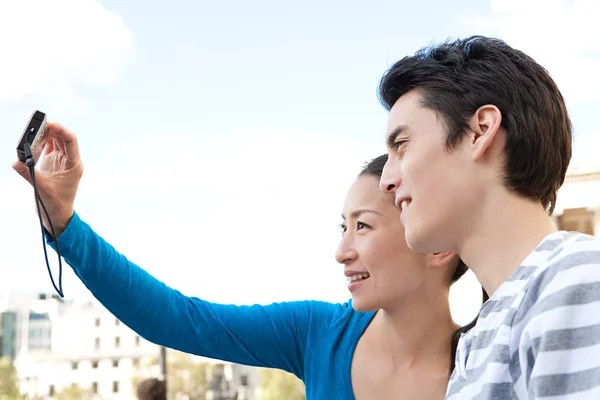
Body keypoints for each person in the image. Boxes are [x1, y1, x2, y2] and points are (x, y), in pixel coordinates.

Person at [13, 130, 481, 400]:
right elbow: (176, 318)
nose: (341, 252)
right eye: (342, 227)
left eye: (364, 226)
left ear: (438, 245)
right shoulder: (317, 333)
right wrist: (65, 225)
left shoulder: (491, 364)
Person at [378, 35, 600, 399]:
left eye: (401, 145)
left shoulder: (573, 282)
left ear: (481, 131)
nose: (386, 180)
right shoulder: (479, 336)